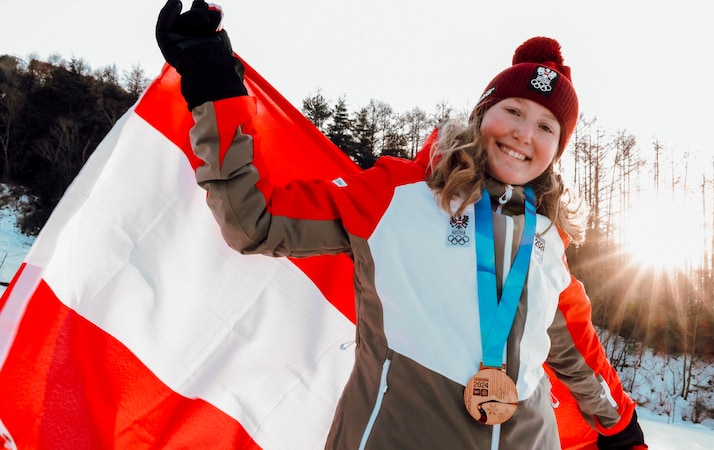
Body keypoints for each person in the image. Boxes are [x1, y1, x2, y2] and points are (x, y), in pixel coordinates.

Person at [155, 1, 649, 449]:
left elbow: (579, 357)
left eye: (547, 127)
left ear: (556, 151)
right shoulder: (395, 198)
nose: (524, 133)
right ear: (482, 115)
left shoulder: (547, 241)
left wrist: (622, 429)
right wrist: (213, 83)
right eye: (514, 111)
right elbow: (254, 220)